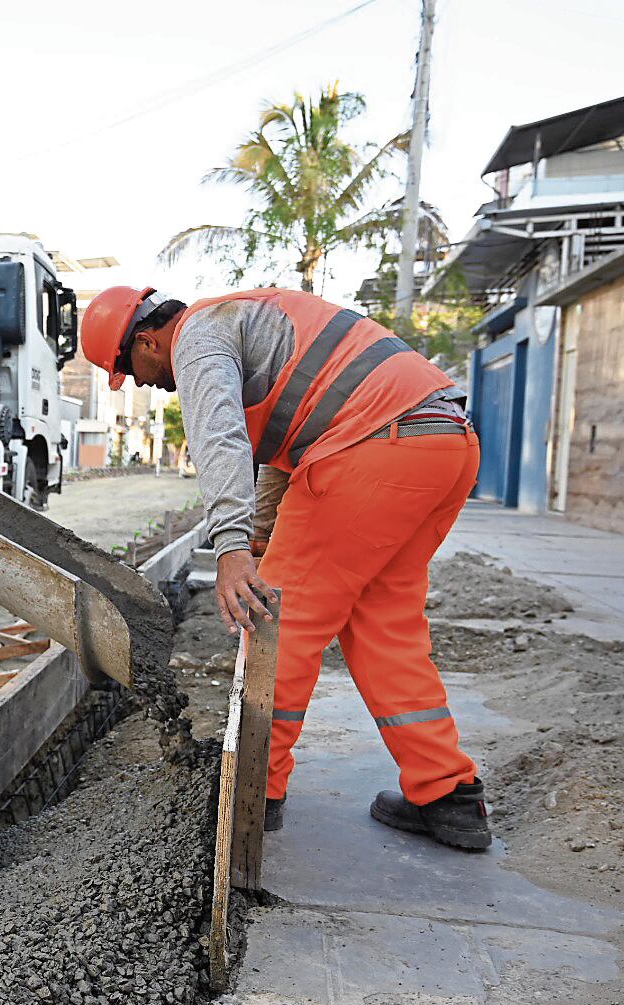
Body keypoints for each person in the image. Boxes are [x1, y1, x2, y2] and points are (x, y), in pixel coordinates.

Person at [80, 286, 490, 853]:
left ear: (148, 340)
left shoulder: (198, 337)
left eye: (135, 371)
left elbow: (218, 437)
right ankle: (448, 795)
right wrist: (258, 537)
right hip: (444, 445)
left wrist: (229, 550)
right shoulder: (251, 320)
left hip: (370, 450)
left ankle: (254, 789)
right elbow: (291, 449)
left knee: (278, 623)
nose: (147, 384)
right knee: (384, 627)